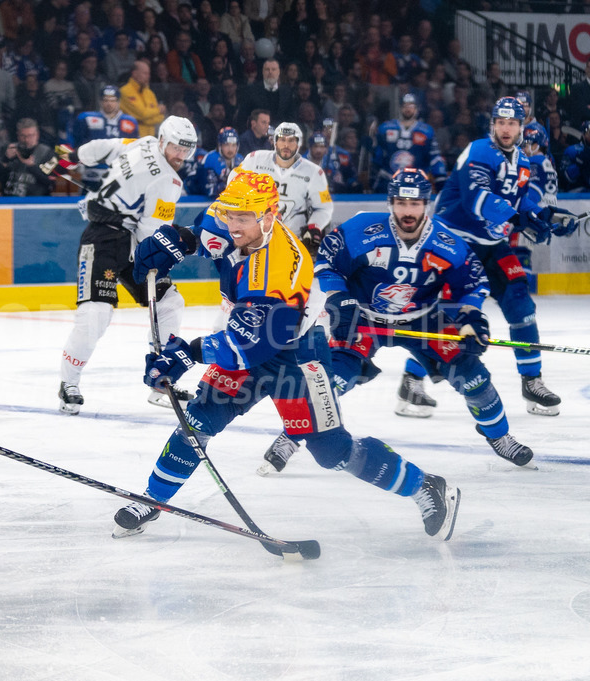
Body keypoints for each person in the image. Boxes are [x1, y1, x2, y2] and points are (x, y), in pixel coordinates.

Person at [112, 171, 460, 542]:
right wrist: (177, 241)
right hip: (245, 333)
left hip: (296, 355)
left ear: (269, 215)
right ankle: (154, 498)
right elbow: (204, 235)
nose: (233, 225)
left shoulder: (279, 270)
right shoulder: (230, 216)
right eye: (231, 215)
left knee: (332, 451)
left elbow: (248, 346)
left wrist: (185, 355)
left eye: (244, 219)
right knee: (198, 421)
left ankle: (425, 486)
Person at [257, 169, 537, 476]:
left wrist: (470, 319)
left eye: (415, 203)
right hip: (364, 318)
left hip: (423, 319)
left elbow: (470, 285)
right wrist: (339, 298)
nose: (408, 210)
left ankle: (499, 436)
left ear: (426, 205)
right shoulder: (362, 228)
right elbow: (325, 261)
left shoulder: (447, 242)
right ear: (390, 202)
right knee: (330, 380)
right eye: (402, 202)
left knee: (473, 376)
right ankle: (291, 435)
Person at [399, 97, 578, 418]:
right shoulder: (478, 150)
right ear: (492, 124)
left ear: (521, 127)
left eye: (512, 123)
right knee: (451, 315)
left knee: (521, 303)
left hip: (490, 244)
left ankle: (531, 381)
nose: (506, 129)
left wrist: (549, 217)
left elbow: (521, 204)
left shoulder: (523, 162)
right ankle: (411, 381)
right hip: (453, 242)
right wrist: (521, 220)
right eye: (501, 122)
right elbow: (477, 199)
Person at [52, 116, 198, 414]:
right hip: (106, 240)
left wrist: (73, 157)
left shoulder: (141, 143)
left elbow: (96, 150)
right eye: (175, 147)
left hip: (124, 238)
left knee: (169, 302)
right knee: (96, 313)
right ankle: (69, 383)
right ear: (162, 141)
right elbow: (152, 234)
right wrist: (177, 240)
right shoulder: (170, 181)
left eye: (187, 149)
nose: (180, 155)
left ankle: (161, 379)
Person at [231, 121, 333, 255]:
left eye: (291, 140)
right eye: (282, 140)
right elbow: (233, 180)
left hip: (292, 241)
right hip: (256, 238)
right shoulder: (255, 160)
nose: (286, 145)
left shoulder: (314, 172)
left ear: (299, 143)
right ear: (274, 141)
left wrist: (314, 226)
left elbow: (324, 208)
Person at [372, 93, 447, 193]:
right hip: (388, 180)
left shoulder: (426, 131)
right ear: (400, 108)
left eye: (411, 106)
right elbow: (377, 156)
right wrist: (372, 177)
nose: (408, 109)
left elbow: (434, 157)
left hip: (416, 182)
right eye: (405, 106)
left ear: (417, 108)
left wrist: (440, 180)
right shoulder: (386, 128)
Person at [71, 85, 139, 191]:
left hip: (119, 177)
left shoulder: (130, 122)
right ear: (100, 101)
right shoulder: (86, 118)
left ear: (118, 102)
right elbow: (77, 143)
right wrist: (77, 162)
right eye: (106, 100)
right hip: (91, 175)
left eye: (113, 100)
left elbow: (134, 149)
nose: (109, 103)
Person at [0, 117, 54, 197]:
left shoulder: (48, 153)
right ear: (18, 135)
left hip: (34, 202)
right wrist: (6, 159)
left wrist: (32, 167)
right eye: (23, 136)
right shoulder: (10, 150)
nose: (27, 140)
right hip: (9, 200)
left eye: (30, 135)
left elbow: (50, 183)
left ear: (37, 135)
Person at [119, 59, 165, 137]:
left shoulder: (149, 93)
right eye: (145, 73)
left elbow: (160, 117)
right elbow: (142, 114)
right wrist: (158, 109)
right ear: (134, 73)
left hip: (150, 138)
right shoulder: (125, 91)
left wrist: (143, 120)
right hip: (132, 138)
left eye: (149, 74)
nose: (148, 77)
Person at [197, 125, 243, 199]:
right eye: (226, 145)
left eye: (234, 145)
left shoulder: (240, 159)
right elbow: (210, 190)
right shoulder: (210, 158)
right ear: (220, 146)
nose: (230, 149)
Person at [522, 122, 558, 209]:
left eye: (526, 144)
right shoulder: (546, 162)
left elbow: (533, 195)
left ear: (535, 146)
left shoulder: (533, 163)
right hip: (548, 212)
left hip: (536, 214)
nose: (523, 148)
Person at [562, 121, 590, 192]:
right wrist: (579, 164)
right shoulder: (573, 150)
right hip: (578, 193)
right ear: (583, 134)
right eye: (589, 132)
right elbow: (566, 178)